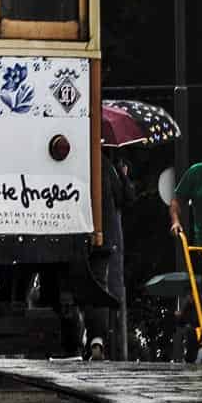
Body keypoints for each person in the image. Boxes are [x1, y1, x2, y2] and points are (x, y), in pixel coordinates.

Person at [86, 150, 136, 360]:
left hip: (73, 236)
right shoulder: (105, 164)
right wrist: (123, 174)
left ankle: (74, 340)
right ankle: (96, 339)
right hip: (101, 236)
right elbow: (126, 197)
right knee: (97, 287)